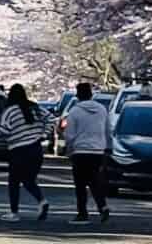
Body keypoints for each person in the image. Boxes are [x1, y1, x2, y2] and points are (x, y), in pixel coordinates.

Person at [63, 80, 112, 225]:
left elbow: (70, 134)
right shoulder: (102, 109)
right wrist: (108, 147)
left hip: (81, 151)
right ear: (91, 94)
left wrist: (68, 147)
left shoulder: (75, 111)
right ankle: (102, 206)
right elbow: (108, 130)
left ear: (78, 95)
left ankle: (82, 213)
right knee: (95, 181)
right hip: (98, 151)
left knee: (80, 184)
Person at [0, 83, 50, 223]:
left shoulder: (9, 111)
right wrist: (44, 134)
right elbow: (51, 119)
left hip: (19, 150)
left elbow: (4, 131)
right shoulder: (36, 108)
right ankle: (42, 201)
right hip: (36, 149)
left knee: (14, 181)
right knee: (28, 180)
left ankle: (14, 212)